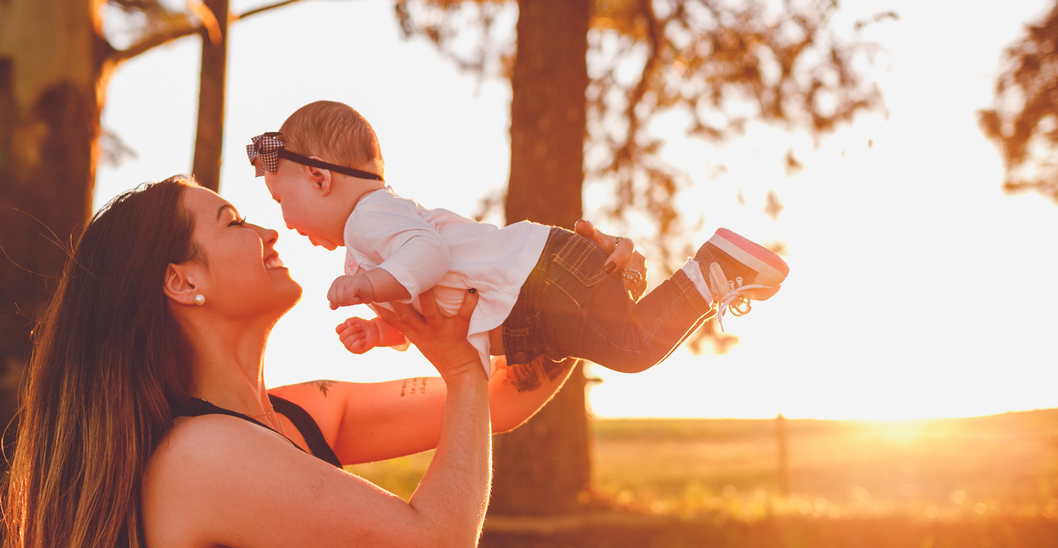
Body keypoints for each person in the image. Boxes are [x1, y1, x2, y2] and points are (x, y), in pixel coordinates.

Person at [1, 175, 639, 548]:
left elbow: (502, 401)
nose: (267, 231)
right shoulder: (201, 457)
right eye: (233, 222)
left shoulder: (302, 412)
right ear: (181, 280)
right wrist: (461, 372)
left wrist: (574, 300)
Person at [247, 100, 789, 375]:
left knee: (631, 349)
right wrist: (382, 331)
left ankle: (712, 269)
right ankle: (695, 276)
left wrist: (368, 289)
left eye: (279, 200)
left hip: (539, 282)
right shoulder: (370, 243)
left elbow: (429, 256)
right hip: (538, 294)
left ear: (319, 178)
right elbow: (428, 312)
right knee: (624, 344)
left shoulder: (370, 216)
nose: (283, 221)